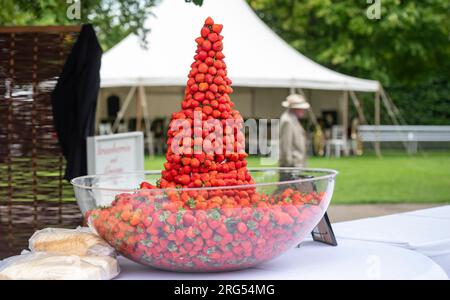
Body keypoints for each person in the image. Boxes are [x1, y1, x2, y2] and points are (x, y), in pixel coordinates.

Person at [279, 94, 311, 170]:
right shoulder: (287, 120)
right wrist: (289, 165)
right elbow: (286, 145)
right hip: (291, 166)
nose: (303, 110)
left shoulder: (292, 119)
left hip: (296, 164)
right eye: (301, 108)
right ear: (294, 108)